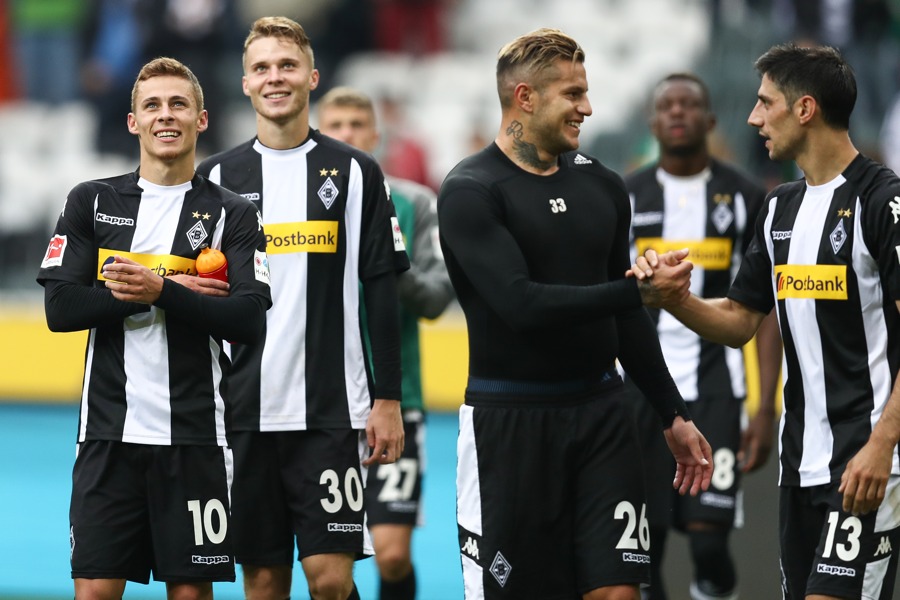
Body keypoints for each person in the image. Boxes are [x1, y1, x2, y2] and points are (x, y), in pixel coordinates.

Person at [436, 28, 714, 600]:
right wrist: (635, 292)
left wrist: (672, 414)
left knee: (618, 592)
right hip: (508, 426)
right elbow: (522, 304)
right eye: (572, 95)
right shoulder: (470, 190)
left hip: (602, 415)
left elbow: (627, 318)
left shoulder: (603, 186)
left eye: (585, 92)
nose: (587, 108)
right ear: (525, 97)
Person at [631, 43, 900, 600]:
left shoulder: (883, 201)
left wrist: (884, 443)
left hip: (867, 461)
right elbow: (737, 321)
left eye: (764, 102)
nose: (752, 118)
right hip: (799, 461)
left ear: (804, 109)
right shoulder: (778, 207)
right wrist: (673, 297)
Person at [36, 56, 272, 600]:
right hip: (106, 434)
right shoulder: (91, 201)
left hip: (196, 435)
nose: (166, 116)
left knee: (190, 594)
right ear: (133, 122)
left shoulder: (232, 214)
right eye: (153, 105)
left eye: (178, 104)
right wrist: (167, 291)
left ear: (202, 119)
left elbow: (248, 319)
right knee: (94, 592)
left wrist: (160, 290)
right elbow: (61, 309)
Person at [195, 16, 409, 600]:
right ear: (244, 83)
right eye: (262, 68)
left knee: (331, 581)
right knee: (263, 581)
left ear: (312, 76)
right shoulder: (215, 178)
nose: (275, 77)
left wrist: (386, 398)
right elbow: (200, 298)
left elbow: (382, 289)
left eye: (287, 65)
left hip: (330, 411)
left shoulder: (358, 172)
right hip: (241, 412)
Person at [624, 72, 783, 600]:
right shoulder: (627, 196)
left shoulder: (742, 195)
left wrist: (765, 408)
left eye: (688, 105)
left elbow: (764, 310)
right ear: (651, 123)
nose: (676, 113)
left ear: (710, 121)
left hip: (719, 390)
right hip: (642, 394)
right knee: (645, 553)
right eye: (666, 105)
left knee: (710, 545)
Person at [316, 85, 455, 600]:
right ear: (318, 131)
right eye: (336, 125)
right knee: (330, 563)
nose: (347, 134)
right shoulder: (299, 200)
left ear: (375, 134)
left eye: (357, 125)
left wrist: (383, 260)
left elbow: (438, 298)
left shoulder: (415, 202)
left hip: (397, 400)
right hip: (319, 405)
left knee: (392, 555)